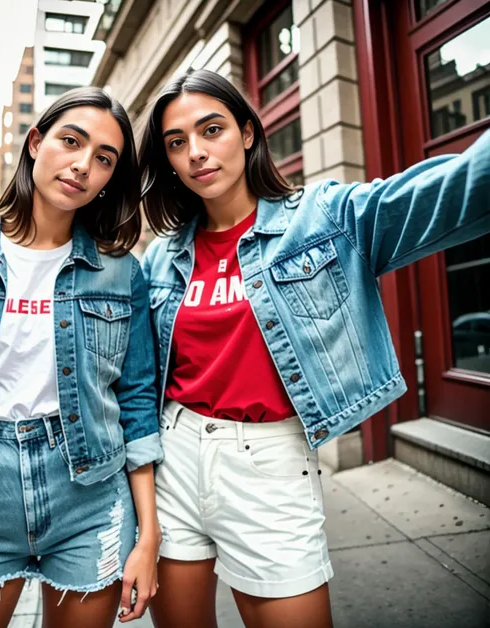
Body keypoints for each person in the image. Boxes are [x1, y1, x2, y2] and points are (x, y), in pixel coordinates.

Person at [137, 69, 490, 628]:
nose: (196, 153)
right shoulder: (161, 258)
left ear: (248, 132)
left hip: (268, 463)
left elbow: (456, 189)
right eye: (177, 143)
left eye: (212, 130)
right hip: (173, 459)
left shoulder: (323, 218)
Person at [0, 87, 163, 628]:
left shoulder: (120, 272)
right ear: (36, 143)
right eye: (71, 141)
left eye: (104, 158)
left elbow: (135, 404)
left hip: (90, 499)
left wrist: (149, 536)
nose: (83, 165)